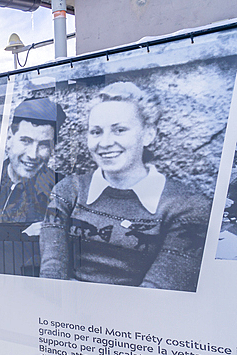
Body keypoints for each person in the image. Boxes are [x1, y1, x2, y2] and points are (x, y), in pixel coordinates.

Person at [40, 82, 211, 291]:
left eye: (119, 130)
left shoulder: (188, 207)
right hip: (68, 320)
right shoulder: (68, 191)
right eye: (95, 132)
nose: (105, 143)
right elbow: (51, 277)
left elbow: (157, 294)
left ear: (148, 134)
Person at [0, 97, 65, 276]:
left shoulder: (61, 188)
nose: (33, 154)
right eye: (26, 141)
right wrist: (22, 236)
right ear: (9, 138)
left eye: (44, 145)